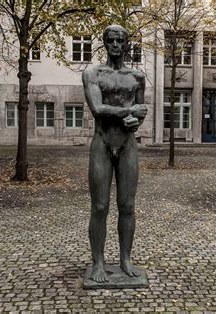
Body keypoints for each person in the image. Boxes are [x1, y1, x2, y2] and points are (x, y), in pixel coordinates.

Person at [82, 25, 147, 283]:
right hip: (102, 142)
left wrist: (136, 122)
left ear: (127, 44)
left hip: (127, 144)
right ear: (104, 43)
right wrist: (128, 112)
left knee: (128, 206)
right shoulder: (93, 73)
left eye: (120, 40)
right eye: (111, 40)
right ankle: (98, 262)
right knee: (99, 206)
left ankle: (125, 260)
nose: (116, 45)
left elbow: (140, 111)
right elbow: (97, 108)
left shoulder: (137, 77)